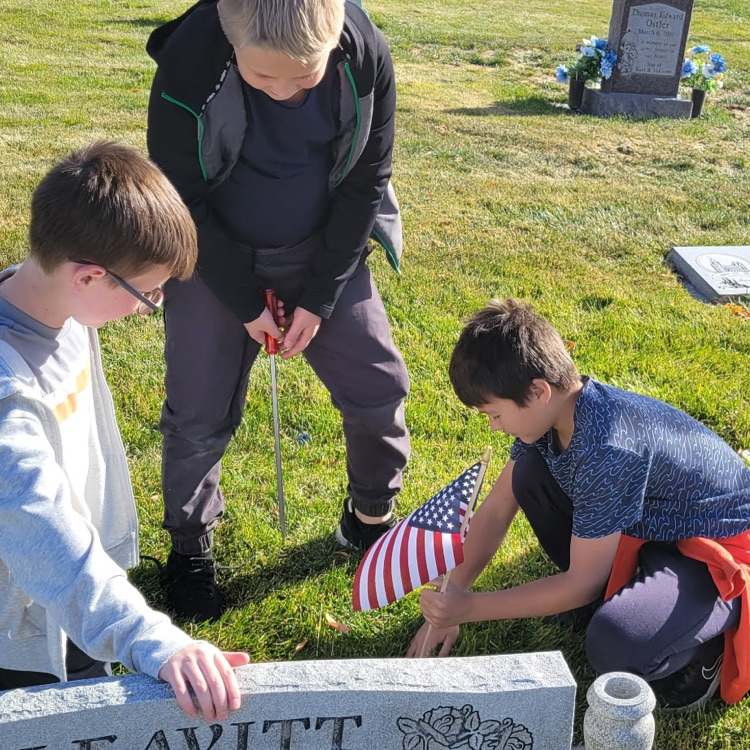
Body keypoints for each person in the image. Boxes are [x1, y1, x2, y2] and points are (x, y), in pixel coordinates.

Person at [146, 0, 410, 621]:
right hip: (209, 255)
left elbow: (367, 179)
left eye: (305, 75)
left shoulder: (366, 53)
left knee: (379, 385)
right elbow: (179, 197)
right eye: (263, 79)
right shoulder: (187, 68)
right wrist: (242, 300)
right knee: (197, 412)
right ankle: (190, 545)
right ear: (229, 40)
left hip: (321, 249)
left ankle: (371, 512)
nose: (286, 91)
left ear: (335, 39)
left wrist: (319, 294)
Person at [0, 141, 250, 721]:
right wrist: (151, 639)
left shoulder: (53, 308)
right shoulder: (8, 398)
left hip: (76, 607)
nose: (150, 306)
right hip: (22, 632)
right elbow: (45, 539)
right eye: (148, 292)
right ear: (89, 276)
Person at [408, 298, 750, 711]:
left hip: (718, 545)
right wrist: (456, 587)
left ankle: (702, 648)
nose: (494, 427)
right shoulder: (552, 414)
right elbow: (498, 509)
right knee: (529, 471)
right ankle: (641, 595)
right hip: (655, 528)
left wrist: (469, 608)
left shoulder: (608, 449)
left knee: (615, 643)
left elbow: (581, 582)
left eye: (494, 414)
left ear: (538, 390)